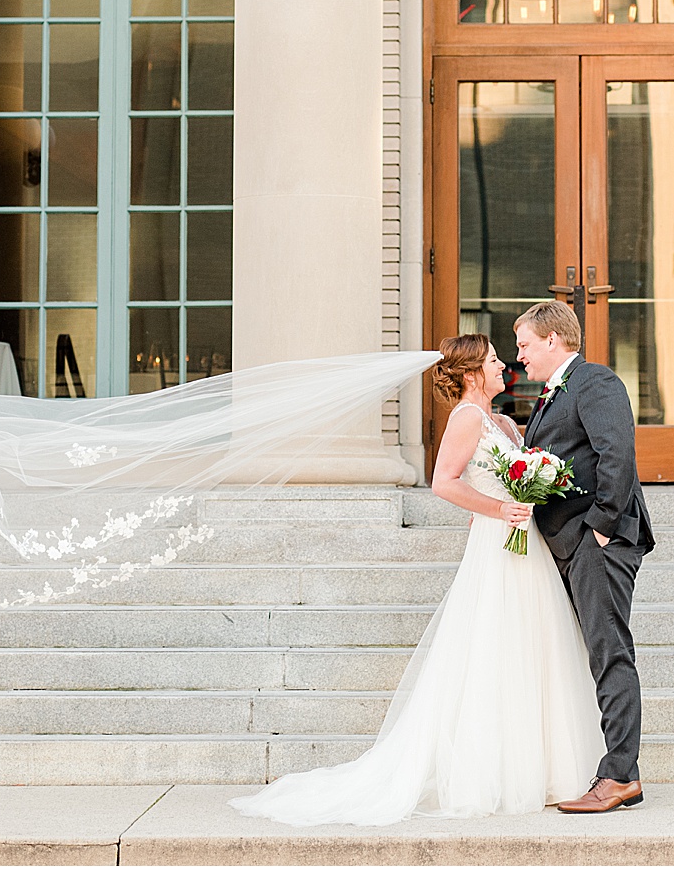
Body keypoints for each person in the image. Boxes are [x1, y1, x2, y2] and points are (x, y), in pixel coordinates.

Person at [229, 333, 604, 825]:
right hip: (497, 546)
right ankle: (487, 772)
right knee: (493, 650)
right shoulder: (467, 419)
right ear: (471, 373)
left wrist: (532, 493)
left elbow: (517, 473)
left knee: (534, 649)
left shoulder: (507, 422)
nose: (504, 367)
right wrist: (498, 508)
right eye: (494, 361)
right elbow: (443, 481)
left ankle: (545, 768)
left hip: (527, 545)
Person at [514, 300, 656, 814]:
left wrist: (598, 530)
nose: (520, 357)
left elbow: (617, 455)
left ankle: (620, 777)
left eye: (526, 345)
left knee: (610, 653)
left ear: (554, 340)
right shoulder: (553, 396)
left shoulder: (596, 382)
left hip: (599, 544)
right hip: (570, 546)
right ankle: (610, 770)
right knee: (596, 654)